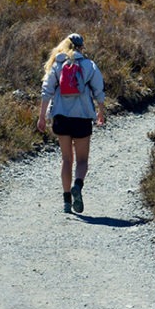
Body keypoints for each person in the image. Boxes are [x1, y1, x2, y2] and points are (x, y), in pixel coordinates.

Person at [36, 33, 105, 213]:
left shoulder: (57, 65)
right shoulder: (89, 65)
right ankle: (77, 185)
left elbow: (46, 91)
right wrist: (101, 111)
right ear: (81, 47)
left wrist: (42, 117)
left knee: (66, 159)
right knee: (82, 160)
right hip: (82, 118)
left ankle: (67, 202)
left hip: (61, 117)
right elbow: (99, 90)